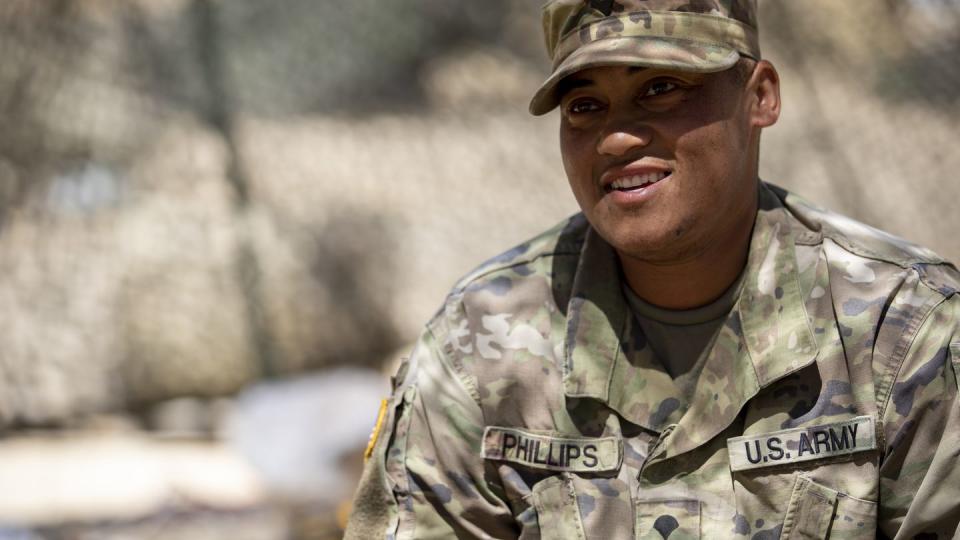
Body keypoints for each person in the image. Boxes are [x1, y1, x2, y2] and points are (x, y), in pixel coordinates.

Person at [345, 1, 960, 538]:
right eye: (585, 105)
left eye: (661, 88)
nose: (615, 139)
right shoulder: (480, 345)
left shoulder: (904, 334)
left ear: (761, 96)